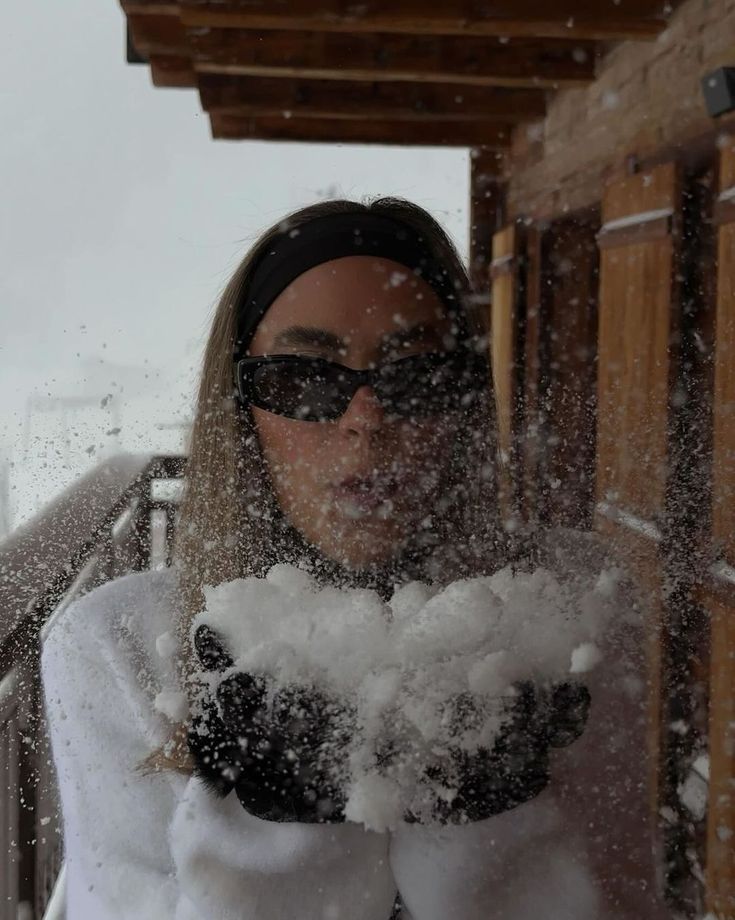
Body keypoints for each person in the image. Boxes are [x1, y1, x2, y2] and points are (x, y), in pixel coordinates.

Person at [41, 197, 668, 919]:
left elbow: (627, 894)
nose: (366, 424)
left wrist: (489, 824)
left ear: (463, 396)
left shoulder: (570, 603)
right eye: (306, 377)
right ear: (239, 410)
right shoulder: (114, 645)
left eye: (415, 371)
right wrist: (275, 842)